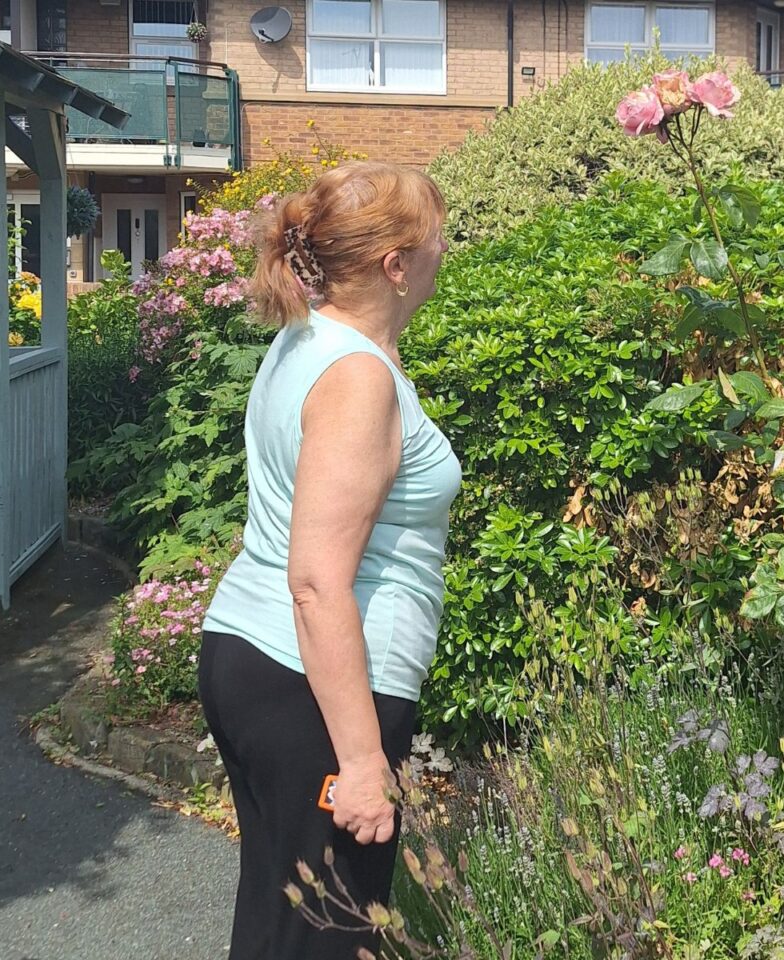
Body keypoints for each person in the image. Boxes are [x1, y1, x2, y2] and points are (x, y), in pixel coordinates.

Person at [200, 160, 461, 959]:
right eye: (438, 238)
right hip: (313, 688)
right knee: (327, 936)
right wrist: (359, 760)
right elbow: (316, 582)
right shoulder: (356, 378)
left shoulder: (307, 340)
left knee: (282, 921)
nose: (446, 251)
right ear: (395, 264)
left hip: (257, 657)